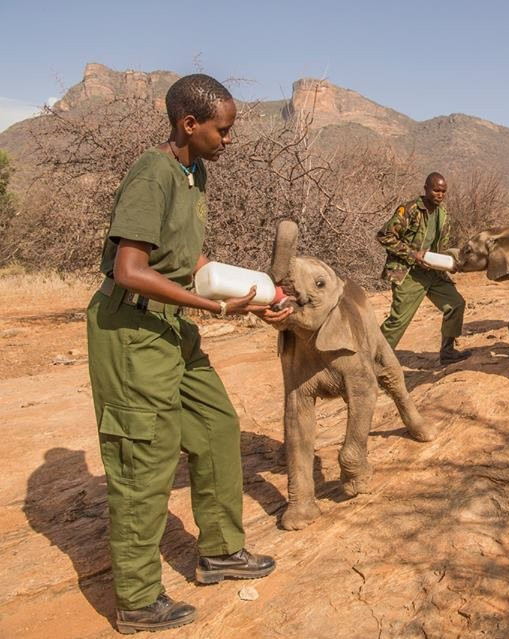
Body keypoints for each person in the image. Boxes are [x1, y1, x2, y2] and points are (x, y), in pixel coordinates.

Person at [86, 74, 292, 634]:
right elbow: (130, 269)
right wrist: (213, 308)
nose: (229, 139)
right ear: (190, 124)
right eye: (223, 130)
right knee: (145, 461)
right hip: (131, 330)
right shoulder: (153, 173)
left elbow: (190, 259)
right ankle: (135, 599)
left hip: (172, 326)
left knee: (217, 425)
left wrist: (252, 299)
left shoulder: (193, 172)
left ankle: (220, 551)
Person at [377, 172, 471, 364]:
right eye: (436, 190)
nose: (440, 195)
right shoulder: (410, 210)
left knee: (456, 304)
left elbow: (440, 247)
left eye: (443, 191)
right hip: (409, 273)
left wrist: (450, 262)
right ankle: (372, 360)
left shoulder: (443, 215)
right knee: (399, 320)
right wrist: (412, 254)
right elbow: (384, 236)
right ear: (426, 188)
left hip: (433, 272)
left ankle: (447, 352)